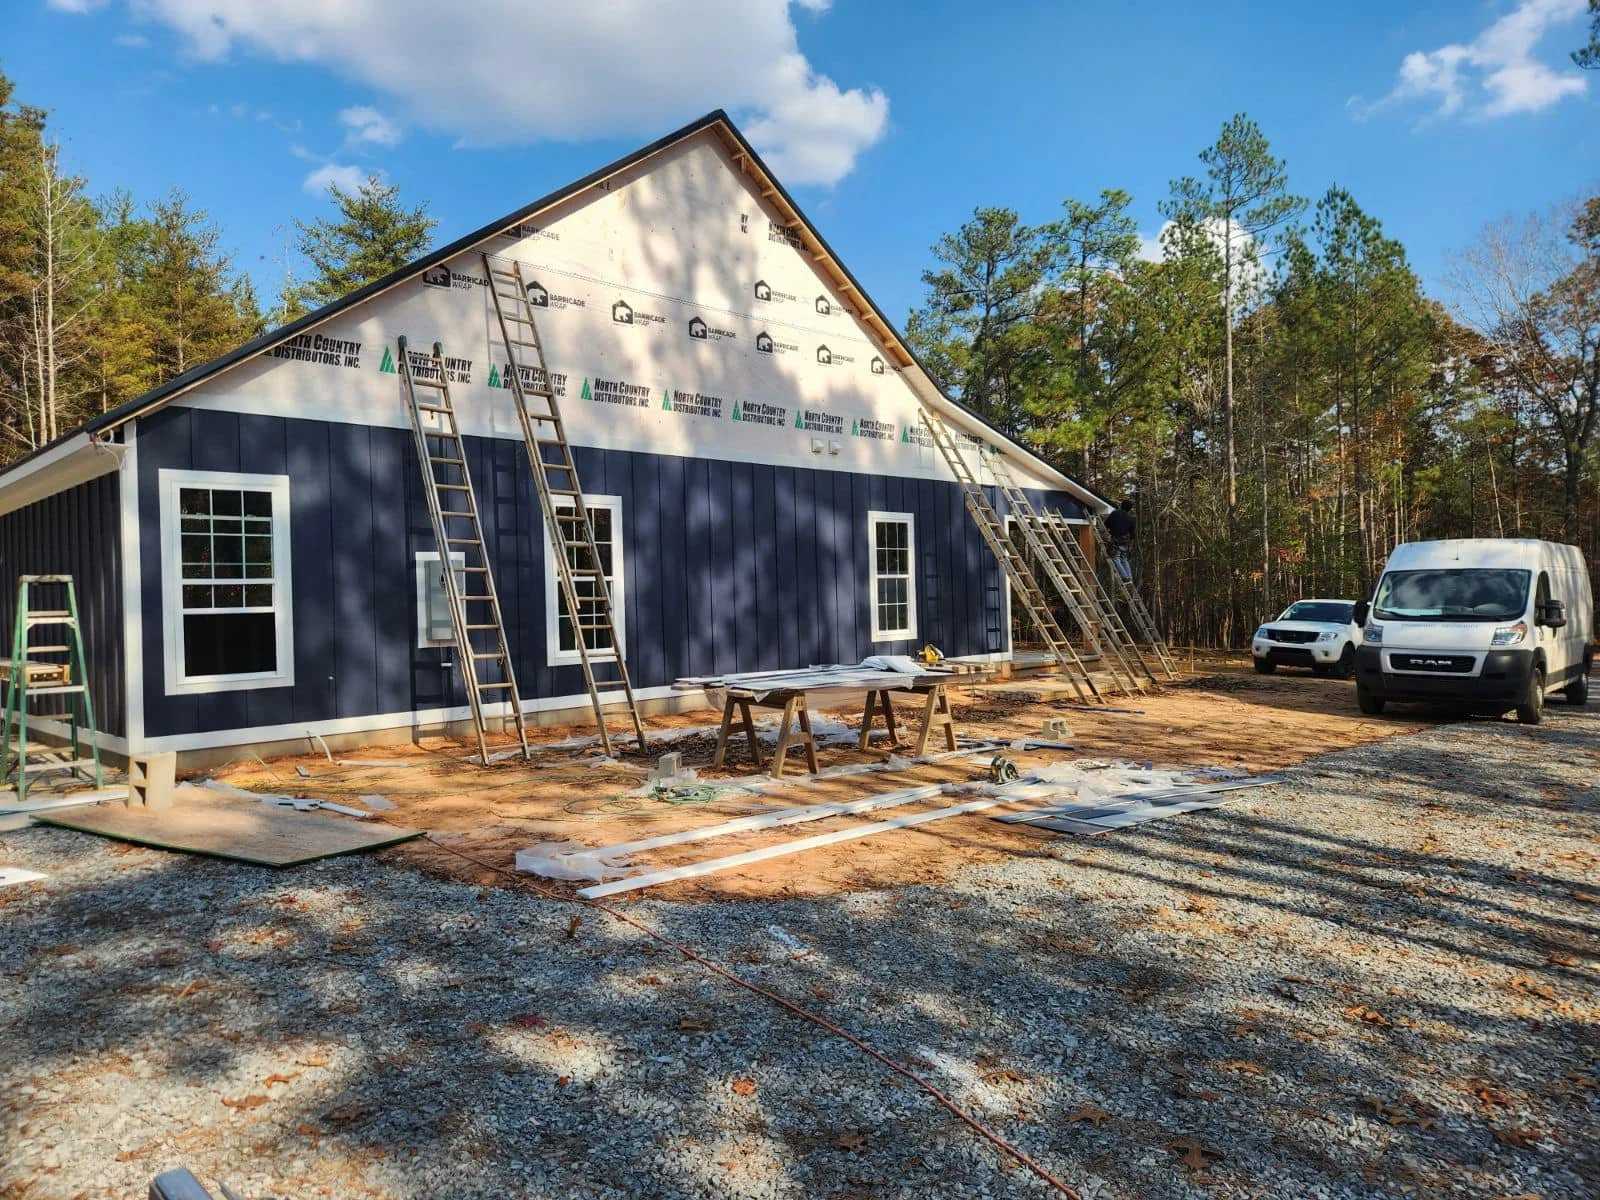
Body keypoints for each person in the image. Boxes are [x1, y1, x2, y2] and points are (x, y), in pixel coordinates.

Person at [1104, 499, 1136, 581]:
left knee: (1115, 558)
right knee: (1124, 559)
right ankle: (1129, 577)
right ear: (1129, 509)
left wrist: (1109, 532)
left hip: (1116, 540)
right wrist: (1131, 546)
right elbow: (1133, 535)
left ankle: (1125, 577)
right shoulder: (1130, 518)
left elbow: (1106, 524)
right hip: (1125, 542)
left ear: (1121, 505)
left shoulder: (1115, 514)